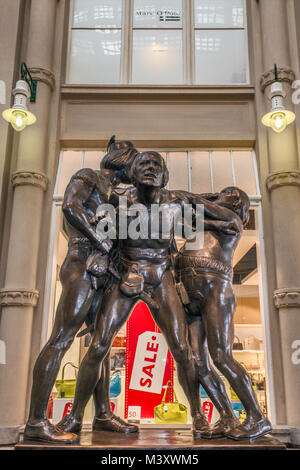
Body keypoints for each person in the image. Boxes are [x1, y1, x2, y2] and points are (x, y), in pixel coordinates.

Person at [57, 151, 245, 438]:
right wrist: (120, 275)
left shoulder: (176, 200)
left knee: (183, 350)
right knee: (98, 345)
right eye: (144, 163)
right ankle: (74, 418)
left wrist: (227, 221)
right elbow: (106, 244)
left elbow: (217, 213)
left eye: (157, 165)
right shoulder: (118, 202)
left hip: (161, 278)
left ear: (164, 174)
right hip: (128, 275)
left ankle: (197, 414)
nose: (150, 168)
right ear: (133, 172)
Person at [24, 137, 139, 443]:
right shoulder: (90, 175)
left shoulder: (118, 194)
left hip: (103, 268)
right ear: (125, 160)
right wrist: (98, 237)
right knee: (61, 339)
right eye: (136, 162)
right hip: (83, 261)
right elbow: (71, 207)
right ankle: (36, 421)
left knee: (100, 344)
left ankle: (101, 414)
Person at [175, 187, 272, 440]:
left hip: (215, 291)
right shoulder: (203, 227)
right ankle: (227, 416)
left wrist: (195, 197)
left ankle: (257, 417)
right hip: (191, 295)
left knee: (221, 356)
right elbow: (188, 218)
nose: (220, 194)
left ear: (237, 202)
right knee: (197, 360)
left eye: (226, 193)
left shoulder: (232, 220)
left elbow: (194, 203)